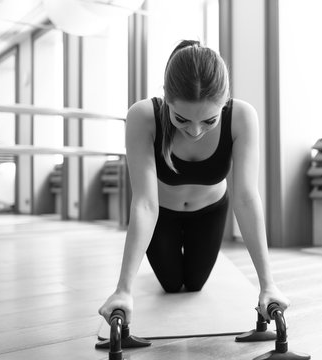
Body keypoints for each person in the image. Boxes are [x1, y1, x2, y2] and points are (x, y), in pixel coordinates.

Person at [98, 40, 290, 325]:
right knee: (172, 285)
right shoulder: (142, 116)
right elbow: (145, 203)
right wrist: (123, 290)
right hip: (162, 213)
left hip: (210, 211)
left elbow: (247, 198)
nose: (195, 131)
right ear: (166, 97)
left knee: (195, 283)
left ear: (225, 100)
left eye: (209, 121)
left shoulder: (242, 117)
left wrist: (268, 284)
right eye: (182, 119)